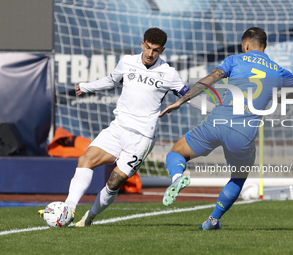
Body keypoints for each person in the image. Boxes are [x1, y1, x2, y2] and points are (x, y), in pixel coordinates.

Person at [38, 27, 189, 227]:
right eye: (148, 48)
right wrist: (86, 86)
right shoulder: (127, 62)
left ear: (162, 50)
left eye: (156, 50)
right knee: (85, 159)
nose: (151, 54)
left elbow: (187, 93)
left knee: (114, 182)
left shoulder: (169, 73)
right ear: (142, 44)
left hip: (141, 138)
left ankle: (89, 217)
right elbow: (111, 81)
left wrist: (192, 103)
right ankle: (69, 208)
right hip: (118, 128)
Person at [159, 27, 293, 230]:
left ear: (246, 45)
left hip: (217, 123)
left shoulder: (234, 60)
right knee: (238, 176)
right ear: (264, 46)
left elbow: (209, 79)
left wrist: (181, 100)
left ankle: (177, 177)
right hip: (243, 132)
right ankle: (212, 220)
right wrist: (274, 96)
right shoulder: (278, 70)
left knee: (177, 152)